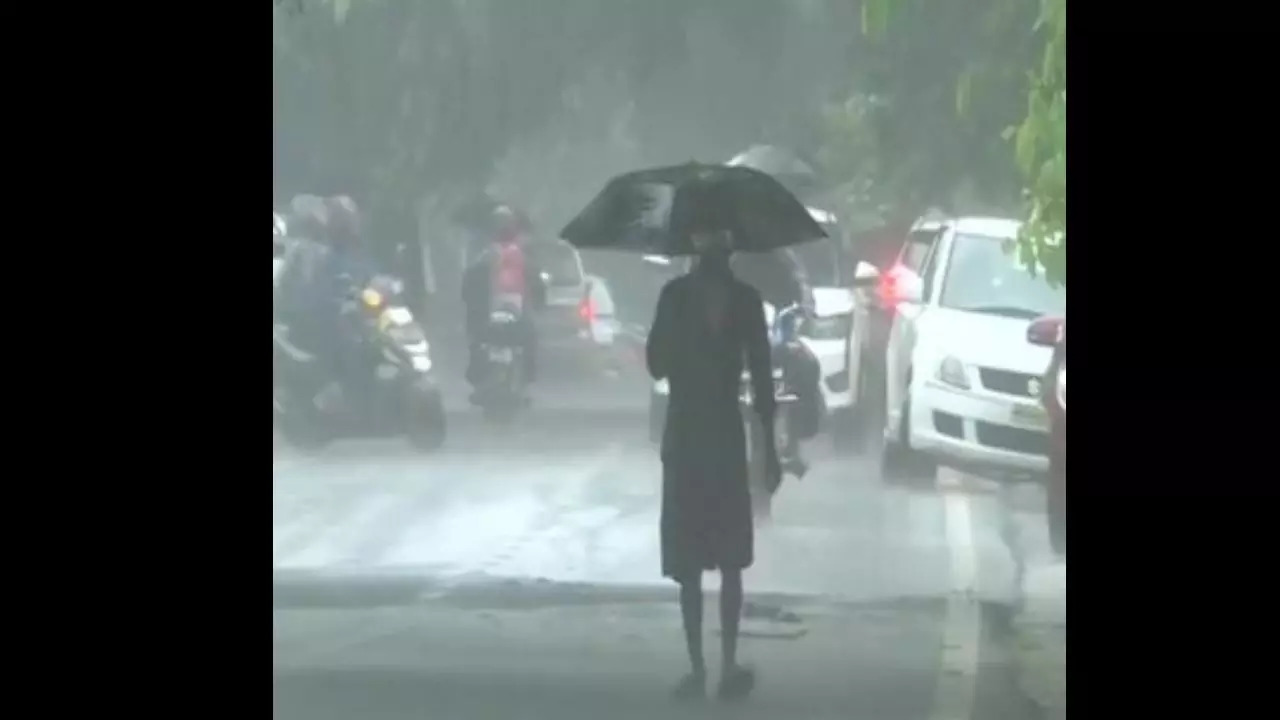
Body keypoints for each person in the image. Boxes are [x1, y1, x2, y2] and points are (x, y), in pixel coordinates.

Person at [646, 225, 781, 702]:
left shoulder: (675, 296)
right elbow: (762, 381)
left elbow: (655, 363)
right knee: (728, 559)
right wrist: (770, 450)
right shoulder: (745, 300)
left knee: (691, 560)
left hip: (688, 435)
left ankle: (699, 667)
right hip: (722, 435)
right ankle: (724, 665)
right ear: (732, 253)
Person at [461, 206, 544, 393]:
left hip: (512, 308)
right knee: (477, 339)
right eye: (499, 223)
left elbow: (536, 282)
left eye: (505, 223)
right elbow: (470, 284)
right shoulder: (486, 253)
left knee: (528, 336)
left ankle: (524, 375)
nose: (502, 227)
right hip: (492, 308)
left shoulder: (516, 253)